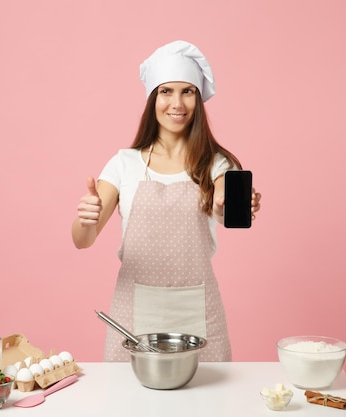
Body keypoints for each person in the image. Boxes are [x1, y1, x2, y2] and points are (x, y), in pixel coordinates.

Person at [72, 40, 261, 361]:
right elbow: (82, 241)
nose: (177, 103)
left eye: (187, 91)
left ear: (199, 100)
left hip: (200, 314)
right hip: (133, 313)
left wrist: (226, 204)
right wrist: (86, 219)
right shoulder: (123, 164)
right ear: (152, 99)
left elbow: (224, 200)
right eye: (166, 91)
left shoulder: (216, 163)